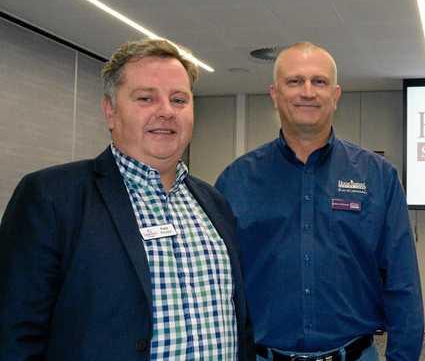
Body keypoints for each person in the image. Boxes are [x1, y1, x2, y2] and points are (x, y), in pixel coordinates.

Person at [0, 39, 254, 361]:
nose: (166, 111)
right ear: (110, 110)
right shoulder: (52, 197)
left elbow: (239, 323)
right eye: (146, 98)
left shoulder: (215, 204)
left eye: (179, 100)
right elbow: (14, 336)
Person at [215, 42, 424, 361]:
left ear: (336, 95)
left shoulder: (378, 177)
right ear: (275, 93)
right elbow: (218, 286)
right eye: (295, 81)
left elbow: (402, 283)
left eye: (319, 81)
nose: (307, 92)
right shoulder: (236, 180)